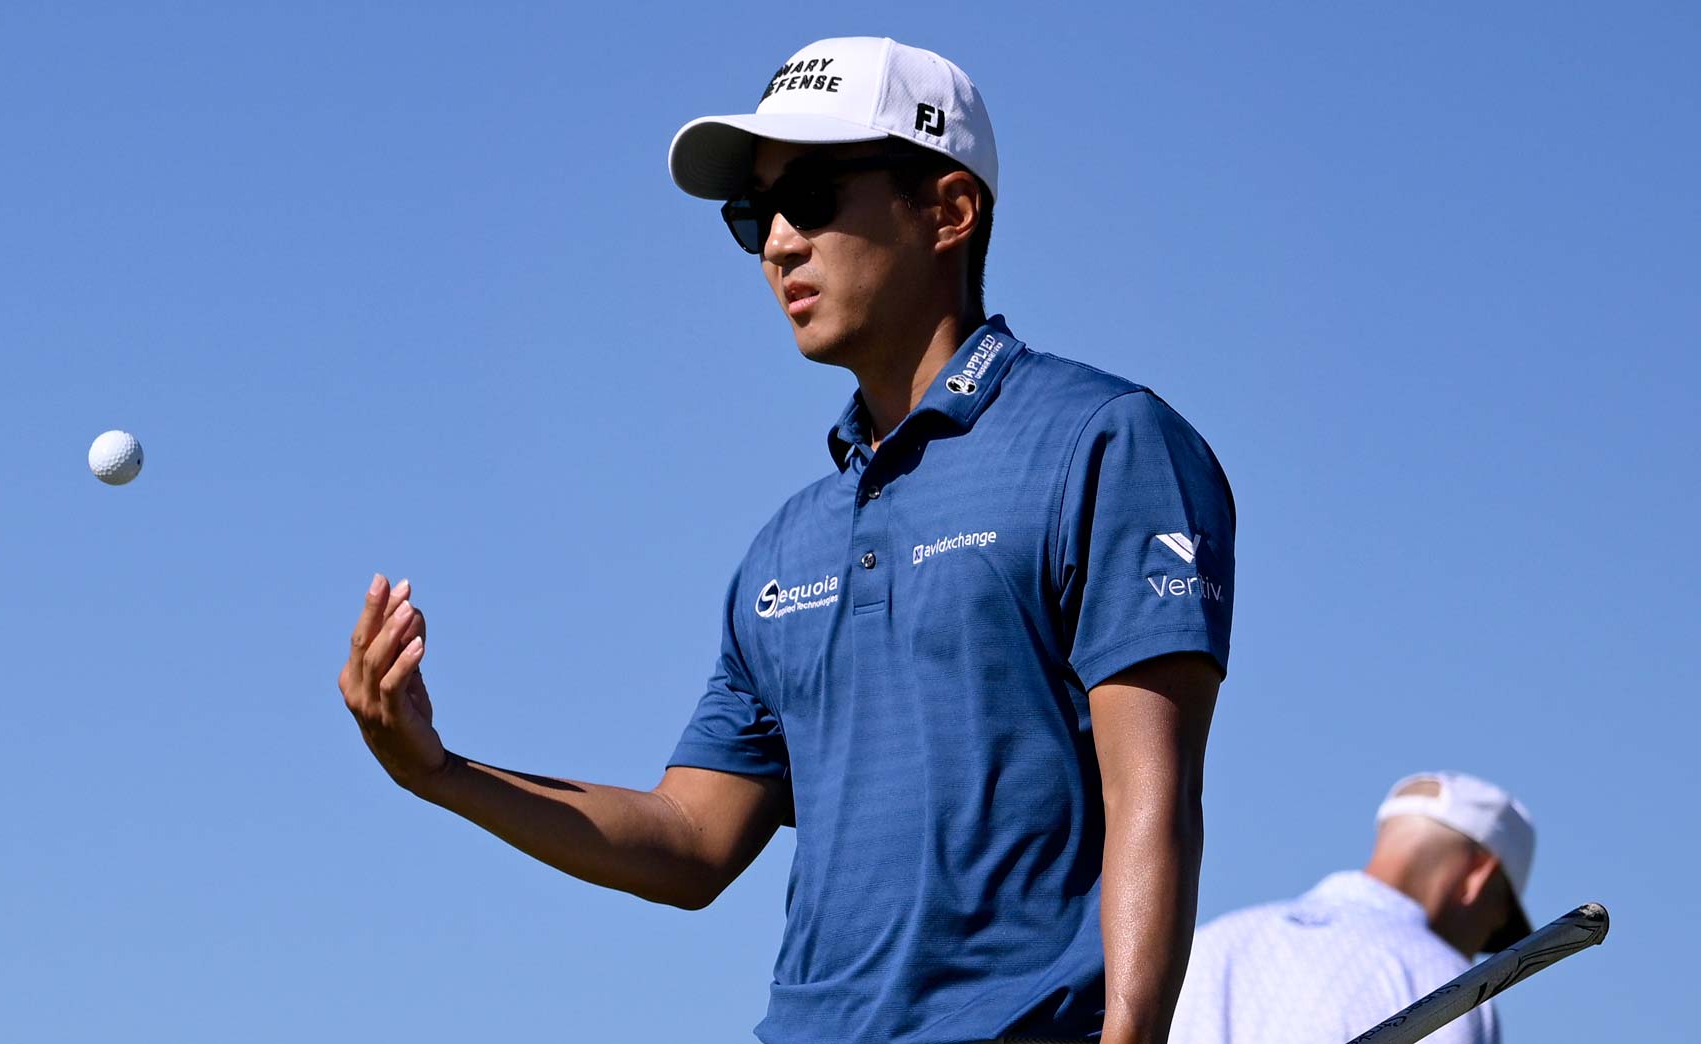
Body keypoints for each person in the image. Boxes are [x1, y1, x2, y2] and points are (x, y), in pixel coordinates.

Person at [338, 36, 1235, 1044]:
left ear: (947, 211)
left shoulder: (1104, 441)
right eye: (750, 215)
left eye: (808, 196)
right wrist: (438, 771)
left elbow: (1151, 794)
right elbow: (690, 842)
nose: (775, 243)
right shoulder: (783, 549)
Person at [1170, 771, 1537, 1044]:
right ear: (1480, 876)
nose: (1484, 940)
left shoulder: (1206, 945)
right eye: (1499, 916)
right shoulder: (1445, 982)